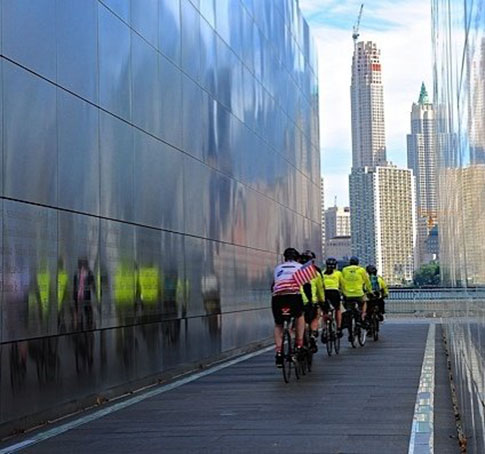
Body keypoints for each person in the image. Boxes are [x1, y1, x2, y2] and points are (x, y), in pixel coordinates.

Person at [271, 247, 305, 367]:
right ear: (297, 258)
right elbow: (305, 286)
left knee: (278, 324)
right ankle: (300, 344)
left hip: (278, 297)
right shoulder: (300, 267)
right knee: (299, 316)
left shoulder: (278, 268)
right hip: (293, 296)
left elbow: (273, 285)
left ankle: (279, 352)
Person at [300, 250, 324, 352]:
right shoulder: (316, 272)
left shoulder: (296, 271)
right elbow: (320, 289)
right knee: (315, 316)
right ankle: (313, 334)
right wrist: (322, 301)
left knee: (298, 319)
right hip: (311, 301)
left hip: (296, 300)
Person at [341, 256, 371, 337]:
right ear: (358, 263)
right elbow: (367, 282)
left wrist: (342, 291)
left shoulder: (344, 270)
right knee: (364, 302)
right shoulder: (361, 270)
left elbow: (342, 281)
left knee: (349, 311)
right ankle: (362, 316)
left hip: (347, 295)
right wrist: (370, 291)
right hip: (359, 294)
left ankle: (350, 334)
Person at [322, 257, 344, 338]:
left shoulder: (322, 273)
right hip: (335, 292)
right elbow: (342, 285)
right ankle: (338, 328)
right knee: (338, 309)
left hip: (325, 293)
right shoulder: (338, 273)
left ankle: (325, 328)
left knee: (325, 311)